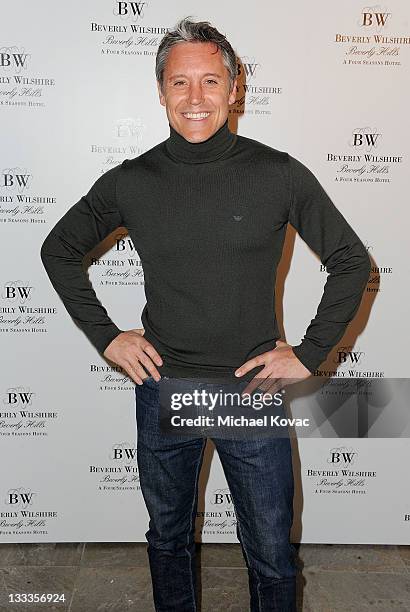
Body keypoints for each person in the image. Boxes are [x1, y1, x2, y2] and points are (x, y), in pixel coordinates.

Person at [40, 16, 371, 612]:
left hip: (249, 390)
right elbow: (57, 249)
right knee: (167, 540)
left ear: (235, 87)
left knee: (271, 550)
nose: (195, 98)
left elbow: (351, 262)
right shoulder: (132, 181)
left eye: (211, 81)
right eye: (179, 83)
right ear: (161, 91)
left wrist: (310, 353)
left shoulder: (277, 173)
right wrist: (107, 336)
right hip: (165, 387)